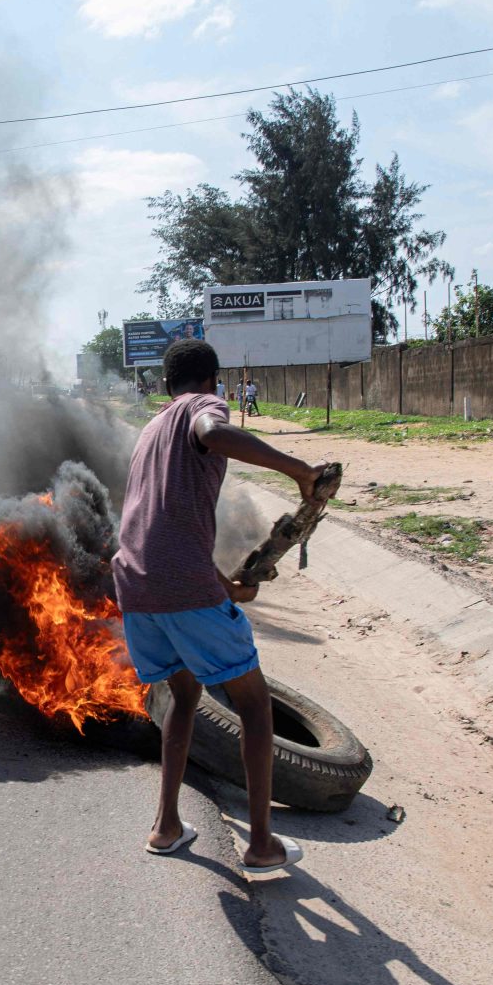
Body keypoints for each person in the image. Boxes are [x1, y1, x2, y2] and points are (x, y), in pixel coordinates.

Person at [113, 338, 327, 873]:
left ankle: (166, 827)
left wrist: (225, 589)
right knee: (254, 705)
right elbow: (212, 432)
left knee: (183, 696)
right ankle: (260, 845)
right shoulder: (202, 408)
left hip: (136, 586)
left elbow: (162, 528)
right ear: (214, 381)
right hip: (176, 583)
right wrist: (299, 471)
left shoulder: (148, 432)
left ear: (164, 385)